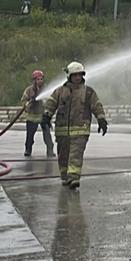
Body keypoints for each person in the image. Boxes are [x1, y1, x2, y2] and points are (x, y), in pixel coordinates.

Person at [43, 61, 108, 190]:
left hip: (81, 130)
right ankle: (65, 177)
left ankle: (74, 178)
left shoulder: (88, 92)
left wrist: (101, 120)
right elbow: (51, 103)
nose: (78, 77)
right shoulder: (60, 91)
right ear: (69, 76)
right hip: (62, 131)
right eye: (75, 75)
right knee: (63, 156)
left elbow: (97, 106)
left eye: (80, 75)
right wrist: (46, 115)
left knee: (76, 155)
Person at [20, 69, 54, 158]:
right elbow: (23, 101)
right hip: (32, 117)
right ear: (34, 80)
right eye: (38, 79)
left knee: (47, 134)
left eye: (41, 79)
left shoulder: (47, 89)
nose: (40, 81)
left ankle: (50, 150)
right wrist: (27, 104)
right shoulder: (29, 90)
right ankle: (28, 150)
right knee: (30, 136)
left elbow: (51, 100)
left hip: (43, 116)